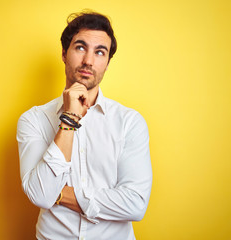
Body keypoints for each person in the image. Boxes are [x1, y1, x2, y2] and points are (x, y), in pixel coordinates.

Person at [17, 11, 152, 240]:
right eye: (80, 47)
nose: (89, 61)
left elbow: (136, 204)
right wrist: (69, 118)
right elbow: (41, 195)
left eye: (100, 52)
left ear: (107, 63)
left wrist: (61, 194)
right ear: (63, 53)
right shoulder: (34, 120)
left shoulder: (129, 122)